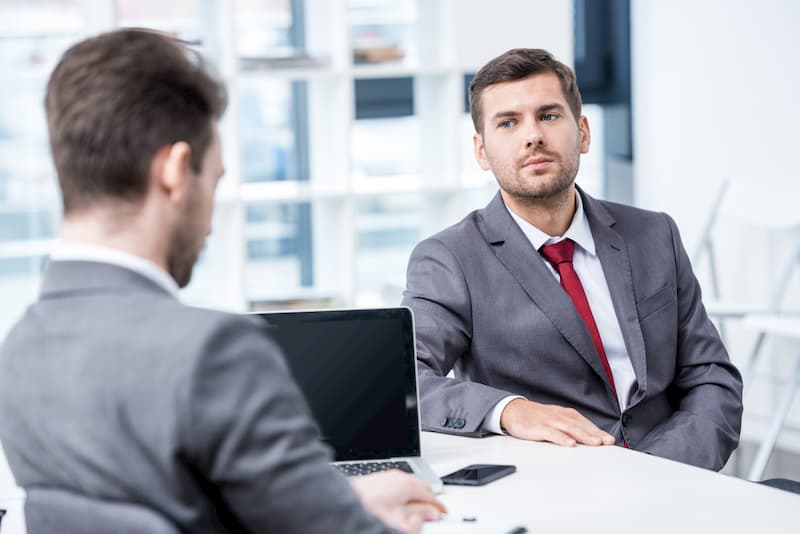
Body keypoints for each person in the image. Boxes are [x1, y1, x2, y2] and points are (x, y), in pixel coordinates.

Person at [0, 29, 444, 533]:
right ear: (175, 171)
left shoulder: (22, 349)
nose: (209, 222)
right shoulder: (211, 352)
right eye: (213, 182)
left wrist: (339, 500)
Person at [401, 48, 743, 471]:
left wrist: (666, 469)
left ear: (582, 132)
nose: (533, 137)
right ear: (481, 151)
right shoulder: (450, 259)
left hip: (678, 472)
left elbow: (712, 377)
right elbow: (405, 382)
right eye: (508, 123)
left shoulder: (654, 234)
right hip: (557, 487)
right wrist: (510, 410)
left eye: (548, 116)